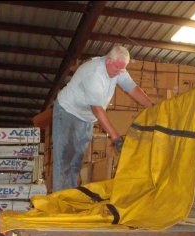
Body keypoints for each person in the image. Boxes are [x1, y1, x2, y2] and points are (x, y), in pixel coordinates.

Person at [52, 45, 154, 192]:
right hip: (68, 112)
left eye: (122, 69)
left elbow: (132, 87)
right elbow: (97, 109)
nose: (119, 73)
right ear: (108, 61)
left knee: (76, 163)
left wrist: (152, 106)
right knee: (64, 161)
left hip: (85, 118)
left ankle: (67, 198)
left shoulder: (117, 69)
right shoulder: (94, 73)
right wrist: (116, 138)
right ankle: (58, 206)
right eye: (117, 69)